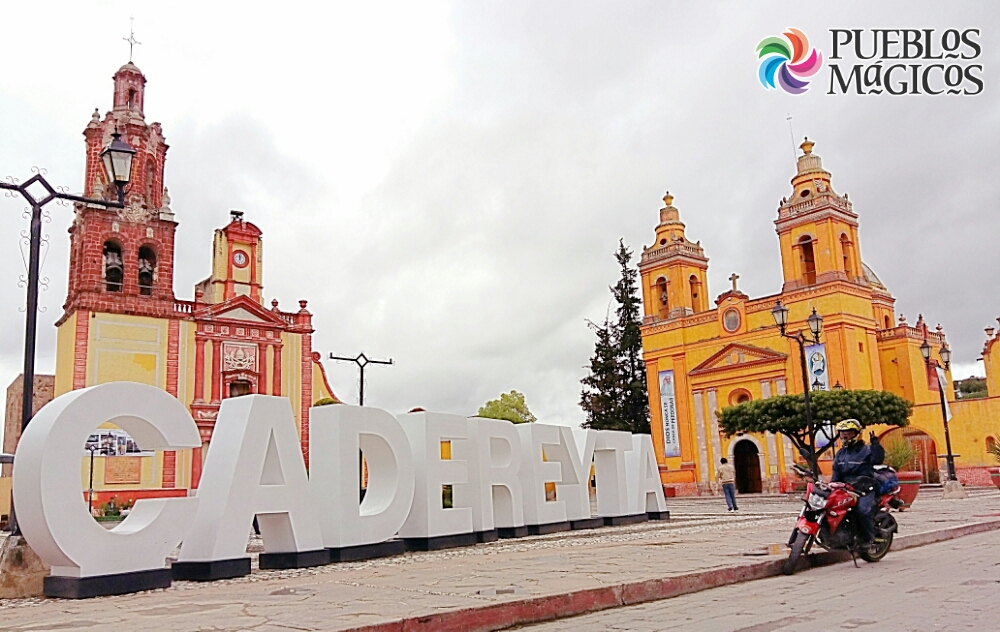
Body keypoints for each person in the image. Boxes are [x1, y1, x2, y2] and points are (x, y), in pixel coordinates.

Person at [830, 419, 885, 552]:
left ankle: (868, 539)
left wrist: (876, 445)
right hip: (845, 488)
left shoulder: (866, 450)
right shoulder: (840, 454)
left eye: (849, 432)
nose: (845, 436)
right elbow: (836, 472)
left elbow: (878, 459)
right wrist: (831, 485)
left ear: (857, 434)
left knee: (862, 510)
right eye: (842, 433)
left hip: (864, 487)